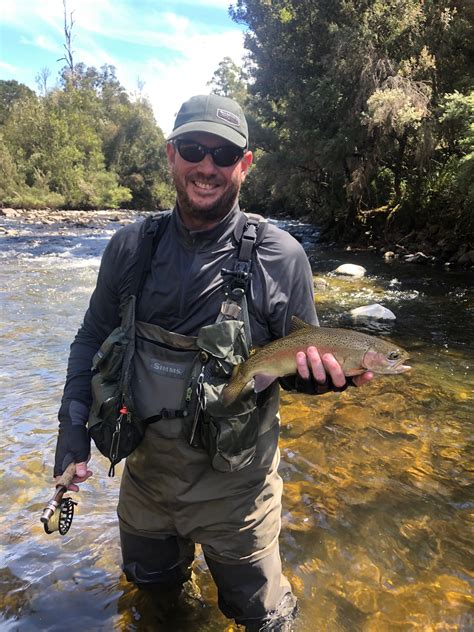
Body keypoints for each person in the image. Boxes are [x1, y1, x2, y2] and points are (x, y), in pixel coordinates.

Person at [53, 94, 372, 631]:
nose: (207, 166)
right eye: (194, 149)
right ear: (171, 153)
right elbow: (89, 341)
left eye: (223, 154)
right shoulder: (130, 248)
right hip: (148, 479)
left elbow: (295, 367)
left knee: (263, 618)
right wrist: (71, 434)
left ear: (244, 165)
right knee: (154, 602)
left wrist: (325, 380)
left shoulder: (281, 257)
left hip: (238, 491)